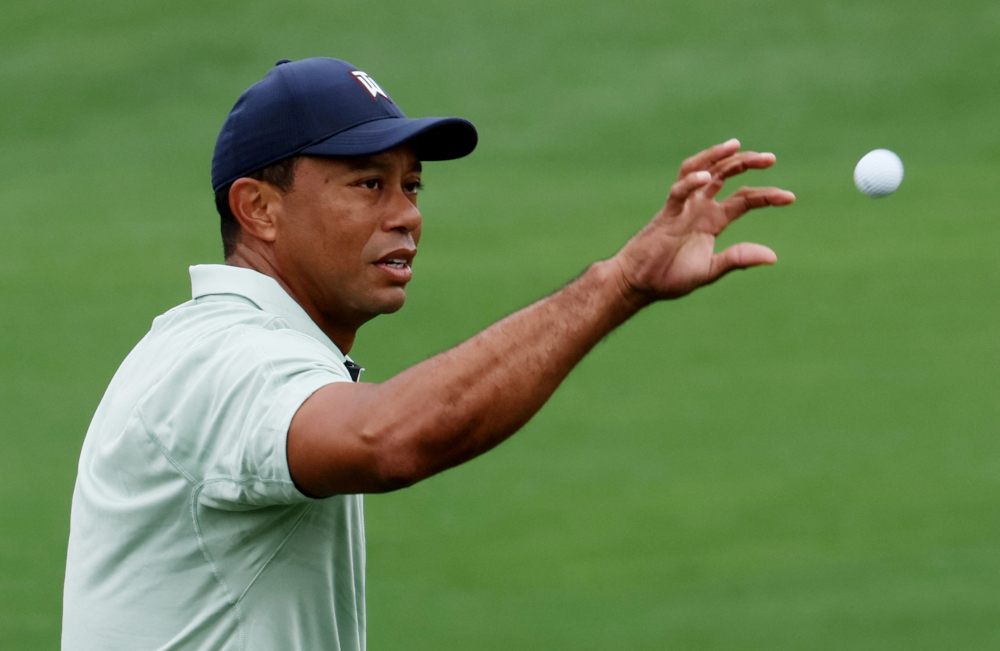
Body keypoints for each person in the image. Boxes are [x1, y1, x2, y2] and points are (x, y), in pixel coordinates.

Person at [61, 57, 794, 649]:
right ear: (258, 208)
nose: (407, 213)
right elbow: (388, 440)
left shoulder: (232, 346)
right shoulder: (221, 358)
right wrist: (619, 282)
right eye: (368, 184)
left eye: (411, 184)